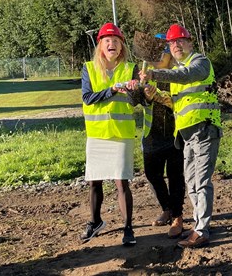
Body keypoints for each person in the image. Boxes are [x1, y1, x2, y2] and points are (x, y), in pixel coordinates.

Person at [141, 24, 222, 249]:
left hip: (205, 129)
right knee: (191, 182)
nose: (175, 45)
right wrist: (155, 94)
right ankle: (199, 224)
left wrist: (154, 74)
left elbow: (186, 76)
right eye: (171, 43)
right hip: (187, 135)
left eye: (179, 41)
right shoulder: (181, 69)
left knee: (201, 181)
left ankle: (202, 230)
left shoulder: (199, 63)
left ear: (189, 42)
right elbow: (175, 101)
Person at [80, 22, 141, 246]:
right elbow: (87, 97)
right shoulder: (89, 68)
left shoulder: (130, 68)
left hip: (121, 134)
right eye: (107, 41)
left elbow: (138, 102)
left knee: (121, 183)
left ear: (121, 46)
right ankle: (96, 222)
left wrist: (137, 90)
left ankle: (128, 228)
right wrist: (112, 89)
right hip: (97, 134)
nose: (112, 44)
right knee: (94, 182)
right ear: (100, 46)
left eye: (116, 41)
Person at [140, 33, 185, 239]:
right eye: (154, 54)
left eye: (162, 52)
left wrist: (155, 94)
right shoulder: (145, 73)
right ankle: (166, 208)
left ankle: (177, 216)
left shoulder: (178, 73)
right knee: (152, 175)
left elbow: (176, 100)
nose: (157, 58)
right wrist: (139, 88)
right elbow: (135, 99)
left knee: (176, 176)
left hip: (175, 134)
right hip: (151, 135)